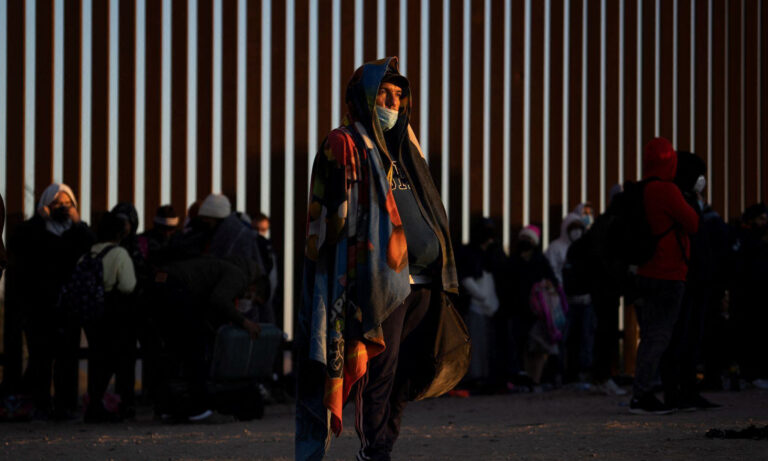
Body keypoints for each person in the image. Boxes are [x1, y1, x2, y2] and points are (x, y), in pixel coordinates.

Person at [296, 57, 464, 461]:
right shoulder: (345, 143)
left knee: (406, 374)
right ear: (364, 96)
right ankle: (374, 449)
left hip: (425, 281)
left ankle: (383, 445)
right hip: (381, 283)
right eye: (384, 94)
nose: (392, 103)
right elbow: (327, 220)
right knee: (379, 373)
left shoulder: (404, 151)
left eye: (399, 96)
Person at [5, 184, 95, 419]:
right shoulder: (33, 230)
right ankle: (41, 404)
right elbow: (18, 245)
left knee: (68, 357)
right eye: (57, 204)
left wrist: (78, 223)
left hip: (69, 305)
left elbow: (91, 247)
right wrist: (39, 220)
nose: (62, 208)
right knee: (41, 356)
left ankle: (65, 406)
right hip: (39, 305)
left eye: (68, 204)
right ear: (46, 205)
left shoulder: (76, 231)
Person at [629, 138, 699, 415]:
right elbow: (692, 223)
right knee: (659, 337)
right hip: (668, 273)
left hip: (642, 273)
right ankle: (643, 394)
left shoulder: (638, 190)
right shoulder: (666, 190)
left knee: (649, 336)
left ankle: (646, 390)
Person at [83, 211, 138, 422]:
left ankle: (94, 404)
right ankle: (125, 406)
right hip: (116, 316)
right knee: (123, 361)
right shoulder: (119, 254)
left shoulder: (89, 253)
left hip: (92, 316)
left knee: (98, 361)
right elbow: (127, 285)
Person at [502, 225, 560, 390]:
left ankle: (535, 379)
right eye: (524, 239)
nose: (526, 242)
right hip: (517, 310)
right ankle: (520, 379)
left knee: (537, 348)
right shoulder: (513, 261)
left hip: (536, 313)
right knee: (518, 346)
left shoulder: (540, 261)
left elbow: (552, 281)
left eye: (529, 240)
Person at [547, 207, 594, 384]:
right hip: (563, 302)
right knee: (565, 339)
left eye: (578, 227)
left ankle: (583, 371)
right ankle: (563, 372)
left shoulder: (586, 249)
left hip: (585, 300)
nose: (576, 231)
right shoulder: (556, 248)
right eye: (572, 227)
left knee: (585, 338)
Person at [457, 218, 502, 391]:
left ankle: (485, 377)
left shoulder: (492, 254)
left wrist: (492, 302)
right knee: (476, 344)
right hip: (475, 307)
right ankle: (474, 378)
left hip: (489, 308)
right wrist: (482, 297)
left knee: (487, 345)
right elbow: (467, 279)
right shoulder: (469, 254)